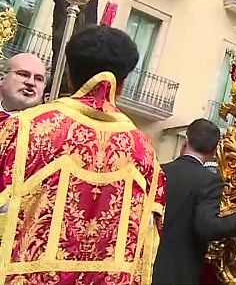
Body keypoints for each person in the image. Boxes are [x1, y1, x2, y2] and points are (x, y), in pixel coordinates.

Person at [0, 25, 166, 284]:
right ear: (121, 84)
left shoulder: (24, 128)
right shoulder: (144, 152)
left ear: (69, 75)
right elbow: (148, 243)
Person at [152, 118, 236, 285]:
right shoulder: (209, 181)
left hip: (147, 264)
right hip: (179, 273)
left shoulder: (159, 170)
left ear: (186, 142)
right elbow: (206, 227)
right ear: (215, 151)